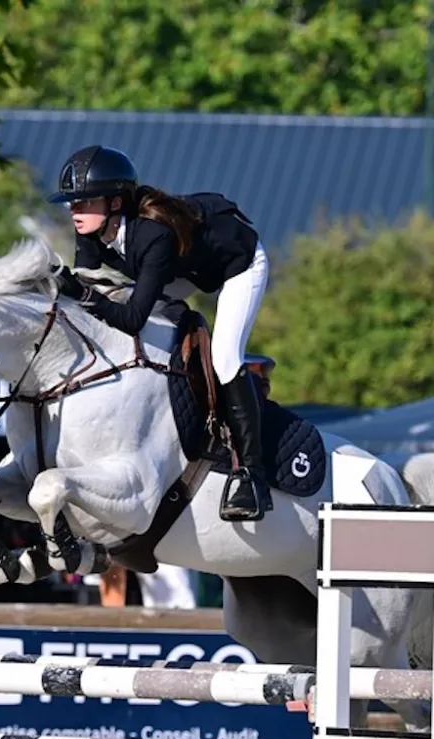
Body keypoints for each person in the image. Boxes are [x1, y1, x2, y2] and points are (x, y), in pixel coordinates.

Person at [47, 145, 272, 522]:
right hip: (184, 269)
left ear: (115, 203)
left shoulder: (153, 235)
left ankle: (251, 475)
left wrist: (82, 293)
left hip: (238, 265)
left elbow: (131, 316)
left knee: (225, 357)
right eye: (72, 203)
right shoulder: (89, 230)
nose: (74, 210)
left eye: (84, 202)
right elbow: (90, 289)